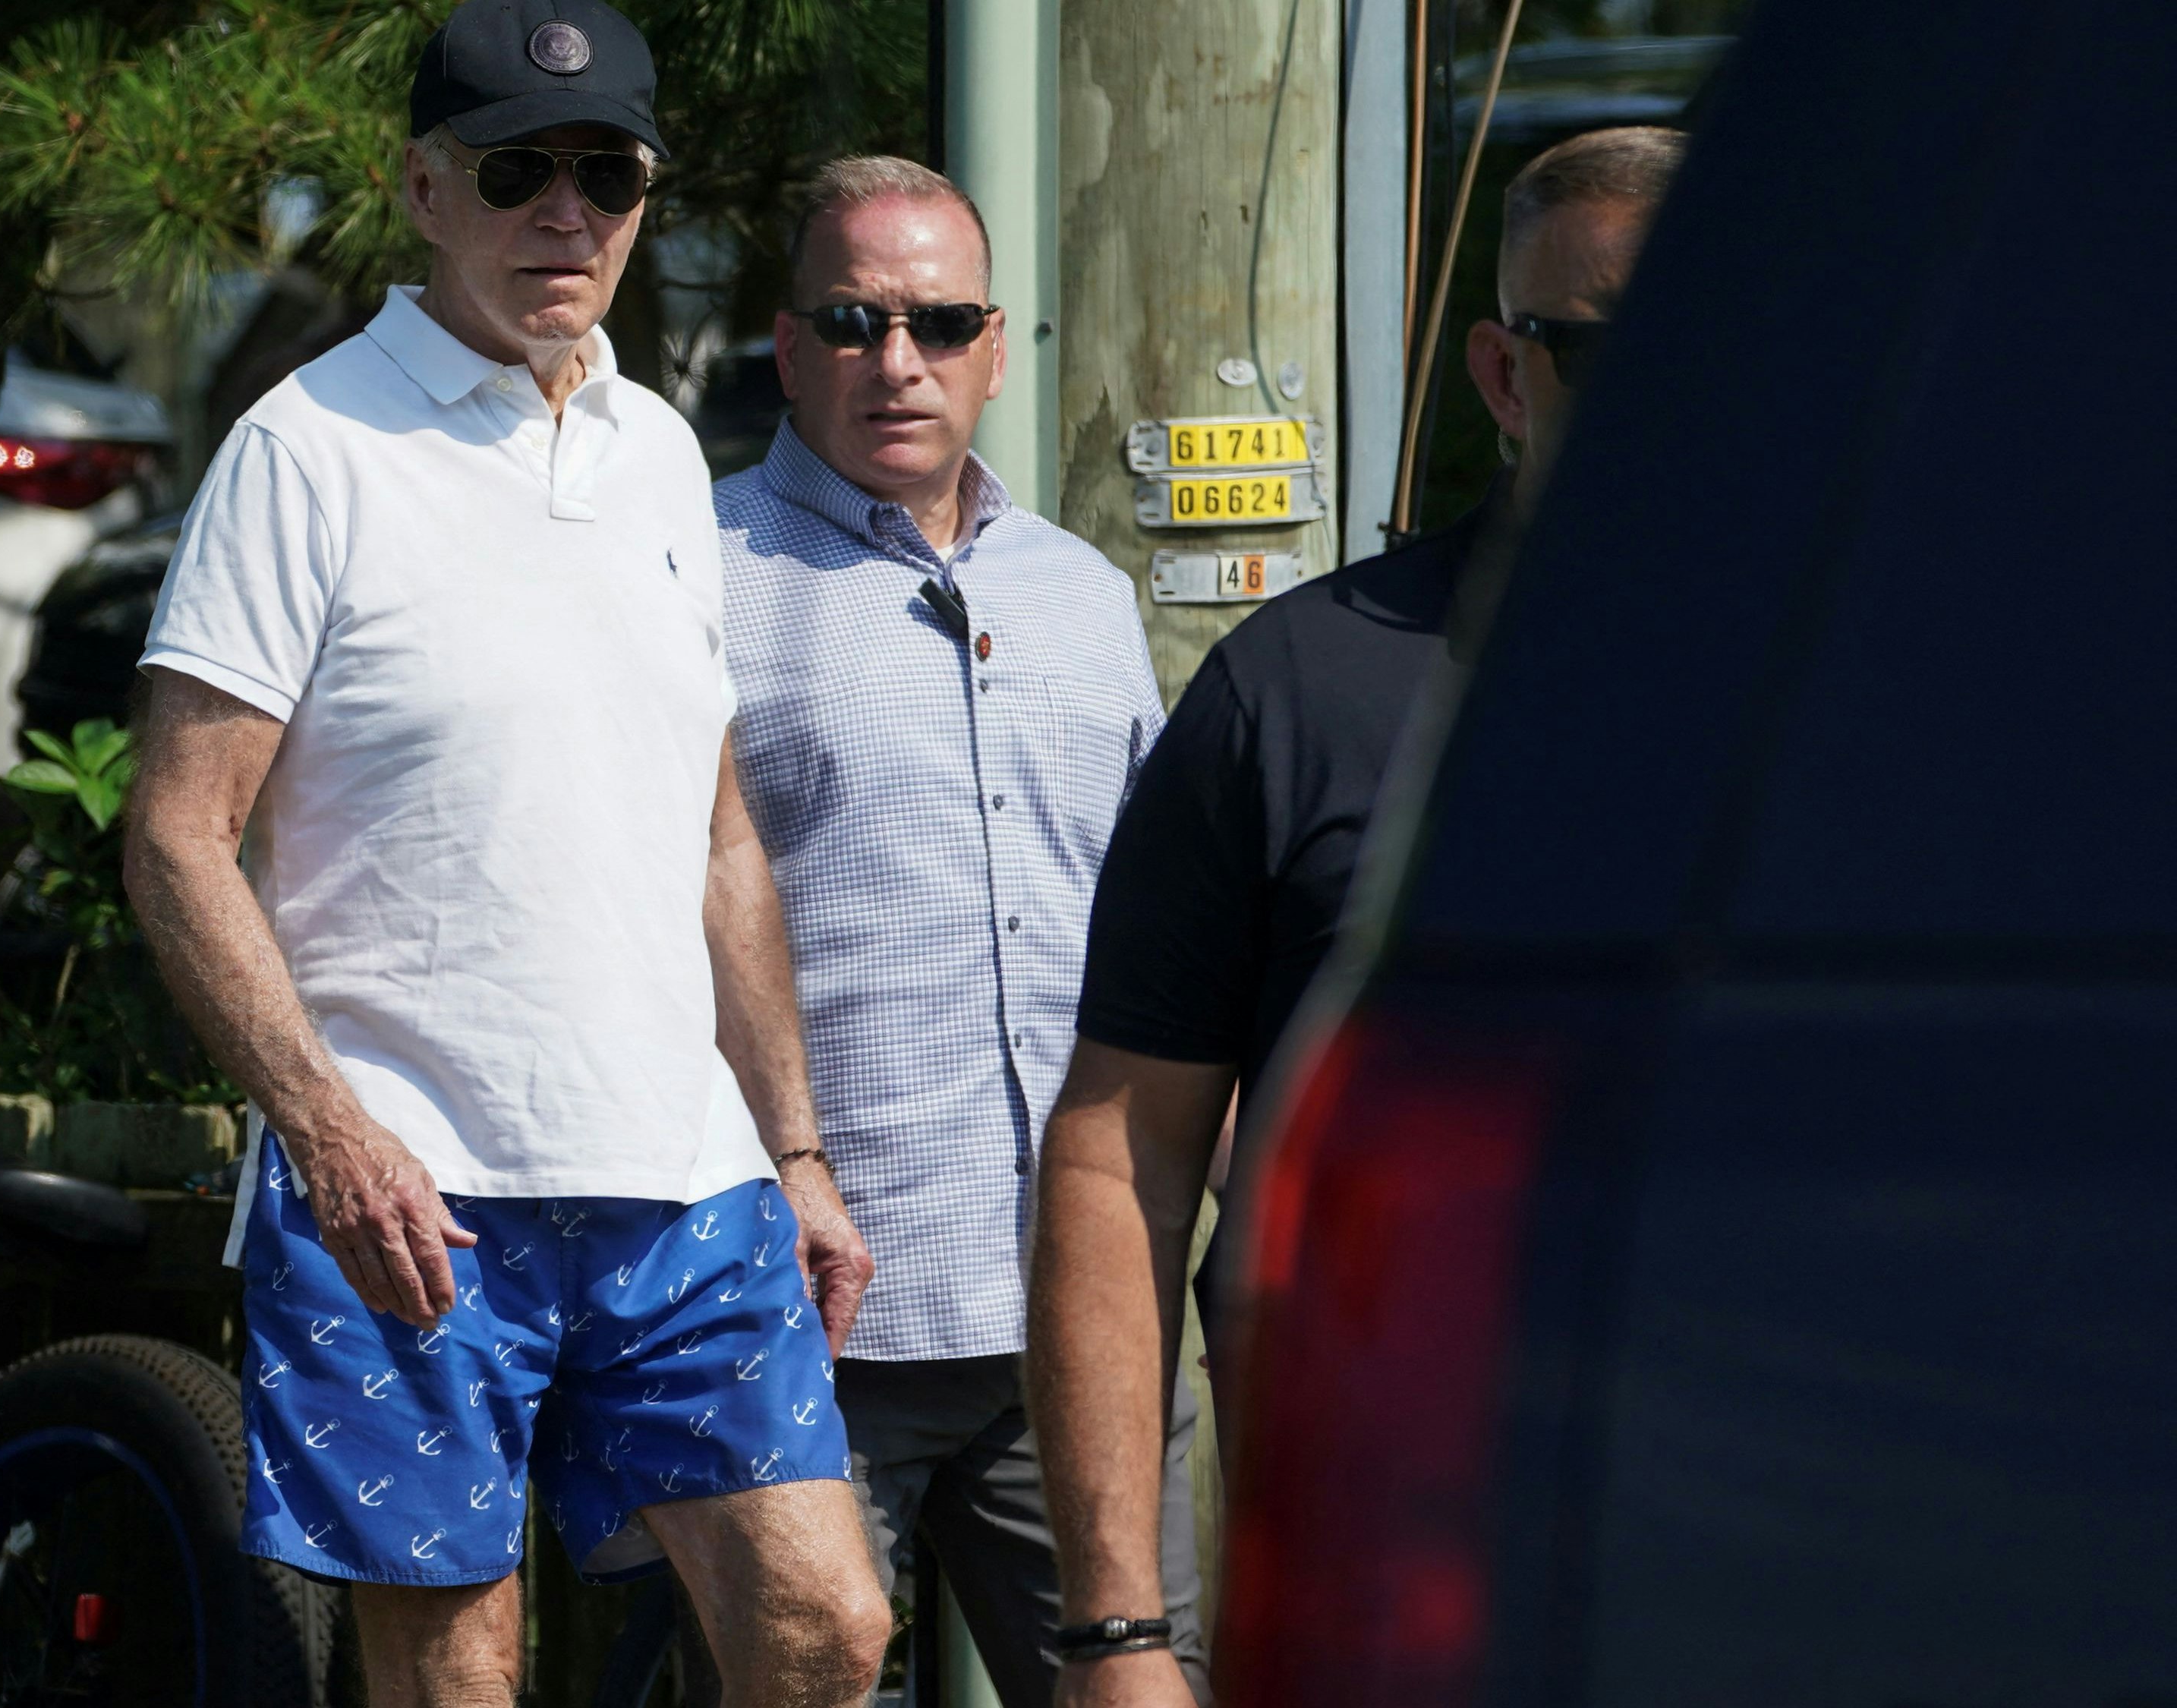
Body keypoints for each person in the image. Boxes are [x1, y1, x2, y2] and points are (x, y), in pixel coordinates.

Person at [121, 3, 892, 1703]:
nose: (565, 211)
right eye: (515, 170)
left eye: (605, 176)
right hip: (411, 1191)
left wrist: (793, 1147)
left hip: (683, 1176)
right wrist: (330, 1133)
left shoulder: (662, 450)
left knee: (826, 1626)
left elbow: (717, 839)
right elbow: (177, 835)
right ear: (422, 186)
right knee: (458, 1676)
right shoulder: (303, 448)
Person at [1023, 125, 1687, 1707]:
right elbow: (1119, 1156)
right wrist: (1118, 1633)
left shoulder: (1872, 709)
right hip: (1382, 1597)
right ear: (1501, 372)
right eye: (1609, 353)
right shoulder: (1298, 691)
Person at [716, 157, 1204, 1707]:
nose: (897, 360)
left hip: (1070, 1313)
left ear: (995, 347)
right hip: (802, 1310)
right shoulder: (697, 575)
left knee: (1145, 1687)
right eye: (852, 321)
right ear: (788, 346)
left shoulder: (1081, 593)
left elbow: (1161, 928)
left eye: (936, 322)